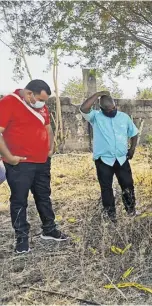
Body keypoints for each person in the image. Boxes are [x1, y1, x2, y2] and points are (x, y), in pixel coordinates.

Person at [0, 80, 68, 254]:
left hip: (42, 162)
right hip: (20, 163)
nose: (42, 103)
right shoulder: (9, 102)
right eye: (39, 99)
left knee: (44, 196)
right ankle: (22, 238)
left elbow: (48, 128)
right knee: (19, 200)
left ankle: (49, 229)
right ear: (29, 94)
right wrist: (9, 157)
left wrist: (50, 149)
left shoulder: (41, 107)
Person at [80, 91, 139, 222]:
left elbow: (134, 133)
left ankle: (131, 211)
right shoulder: (95, 117)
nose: (112, 111)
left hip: (122, 159)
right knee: (106, 188)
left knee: (128, 185)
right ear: (101, 109)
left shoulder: (124, 117)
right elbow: (83, 108)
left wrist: (132, 149)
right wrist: (98, 94)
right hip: (103, 160)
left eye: (113, 108)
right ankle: (111, 216)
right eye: (108, 109)